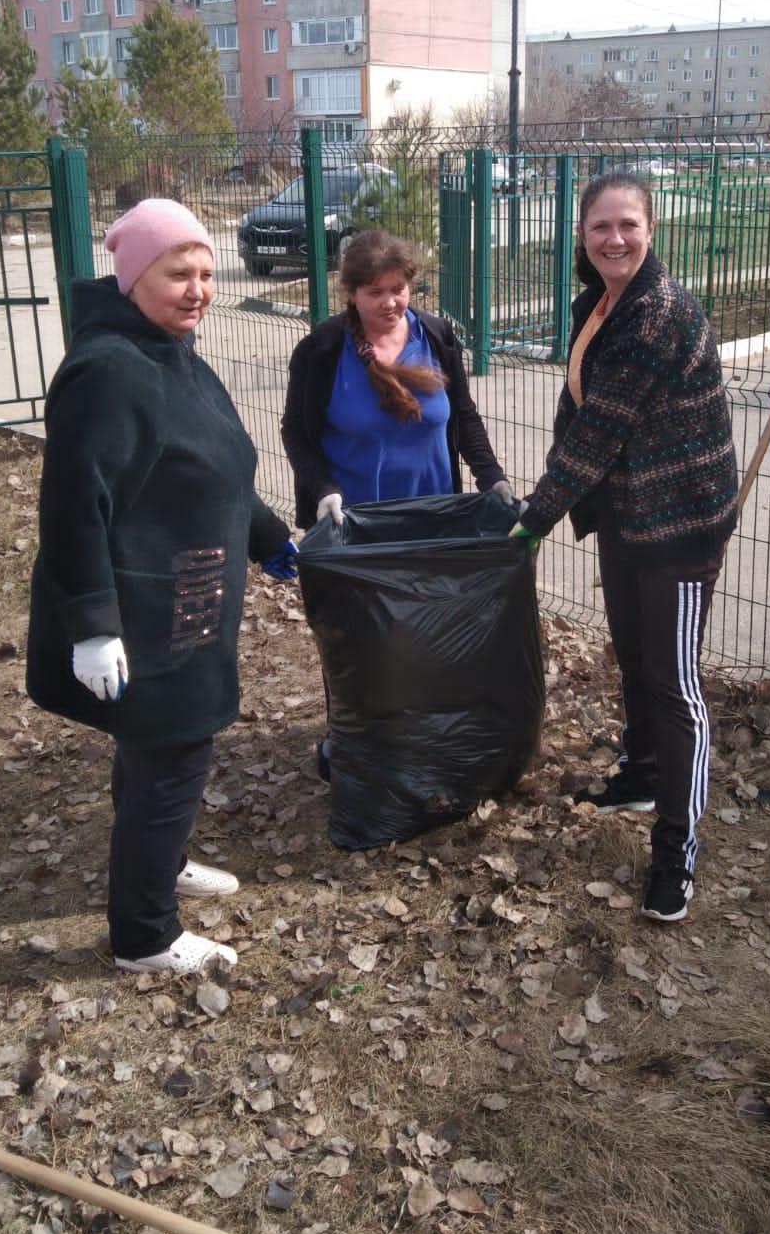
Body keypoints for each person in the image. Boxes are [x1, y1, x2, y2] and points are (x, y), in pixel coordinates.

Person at [26, 198, 298, 976]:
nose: (199, 289)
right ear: (133, 275)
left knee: (153, 753)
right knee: (174, 755)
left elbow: (213, 466)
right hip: (146, 611)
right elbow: (76, 506)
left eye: (208, 273)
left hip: (189, 598)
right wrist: (91, 624)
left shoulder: (172, 350)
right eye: (179, 272)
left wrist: (272, 541)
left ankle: (161, 860)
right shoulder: (106, 373)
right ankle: (145, 935)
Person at [511, 172, 738, 924]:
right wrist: (550, 501)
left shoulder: (657, 315)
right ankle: (642, 775)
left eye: (627, 226)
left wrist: (533, 519)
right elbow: (576, 418)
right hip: (627, 515)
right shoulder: (601, 304)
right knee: (634, 657)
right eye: (600, 226)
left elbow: (597, 433)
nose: (613, 239)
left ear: (652, 229)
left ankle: (678, 846)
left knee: (675, 684)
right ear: (582, 233)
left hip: (677, 526)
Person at [281, 228, 514, 777]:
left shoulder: (435, 336)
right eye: (374, 292)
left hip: (433, 522)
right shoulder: (321, 351)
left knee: (427, 634)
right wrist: (322, 490)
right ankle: (354, 740)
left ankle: (421, 738)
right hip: (358, 529)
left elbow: (463, 417)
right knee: (362, 642)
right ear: (351, 294)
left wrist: (492, 478)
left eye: (399, 289)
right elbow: (297, 432)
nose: (389, 303)